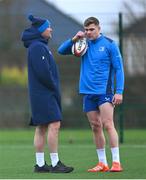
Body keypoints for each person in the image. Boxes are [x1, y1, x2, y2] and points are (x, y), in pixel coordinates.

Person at [58, 17, 124, 172]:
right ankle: (102, 163)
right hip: (87, 92)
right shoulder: (83, 44)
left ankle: (116, 162)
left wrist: (119, 91)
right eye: (86, 29)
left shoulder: (109, 44)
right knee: (95, 126)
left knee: (108, 124)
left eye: (91, 29)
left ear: (99, 28)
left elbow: (119, 69)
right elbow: (61, 50)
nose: (88, 32)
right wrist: (74, 39)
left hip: (104, 91)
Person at [21, 15, 74, 173]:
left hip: (40, 94)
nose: (51, 29)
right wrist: (54, 86)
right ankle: (55, 163)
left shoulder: (38, 46)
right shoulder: (38, 47)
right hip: (44, 93)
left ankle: (40, 165)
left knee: (42, 127)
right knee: (54, 124)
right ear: (41, 30)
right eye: (48, 27)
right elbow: (44, 73)